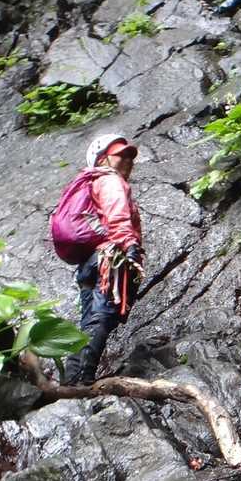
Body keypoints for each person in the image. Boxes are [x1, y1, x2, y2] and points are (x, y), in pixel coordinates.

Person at [61, 133, 144, 386]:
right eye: (120, 155)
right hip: (110, 259)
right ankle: (82, 380)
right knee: (102, 316)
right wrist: (129, 245)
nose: (127, 160)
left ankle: (70, 380)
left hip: (90, 263)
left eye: (130, 156)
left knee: (89, 320)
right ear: (102, 159)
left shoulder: (91, 183)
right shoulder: (110, 180)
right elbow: (116, 215)